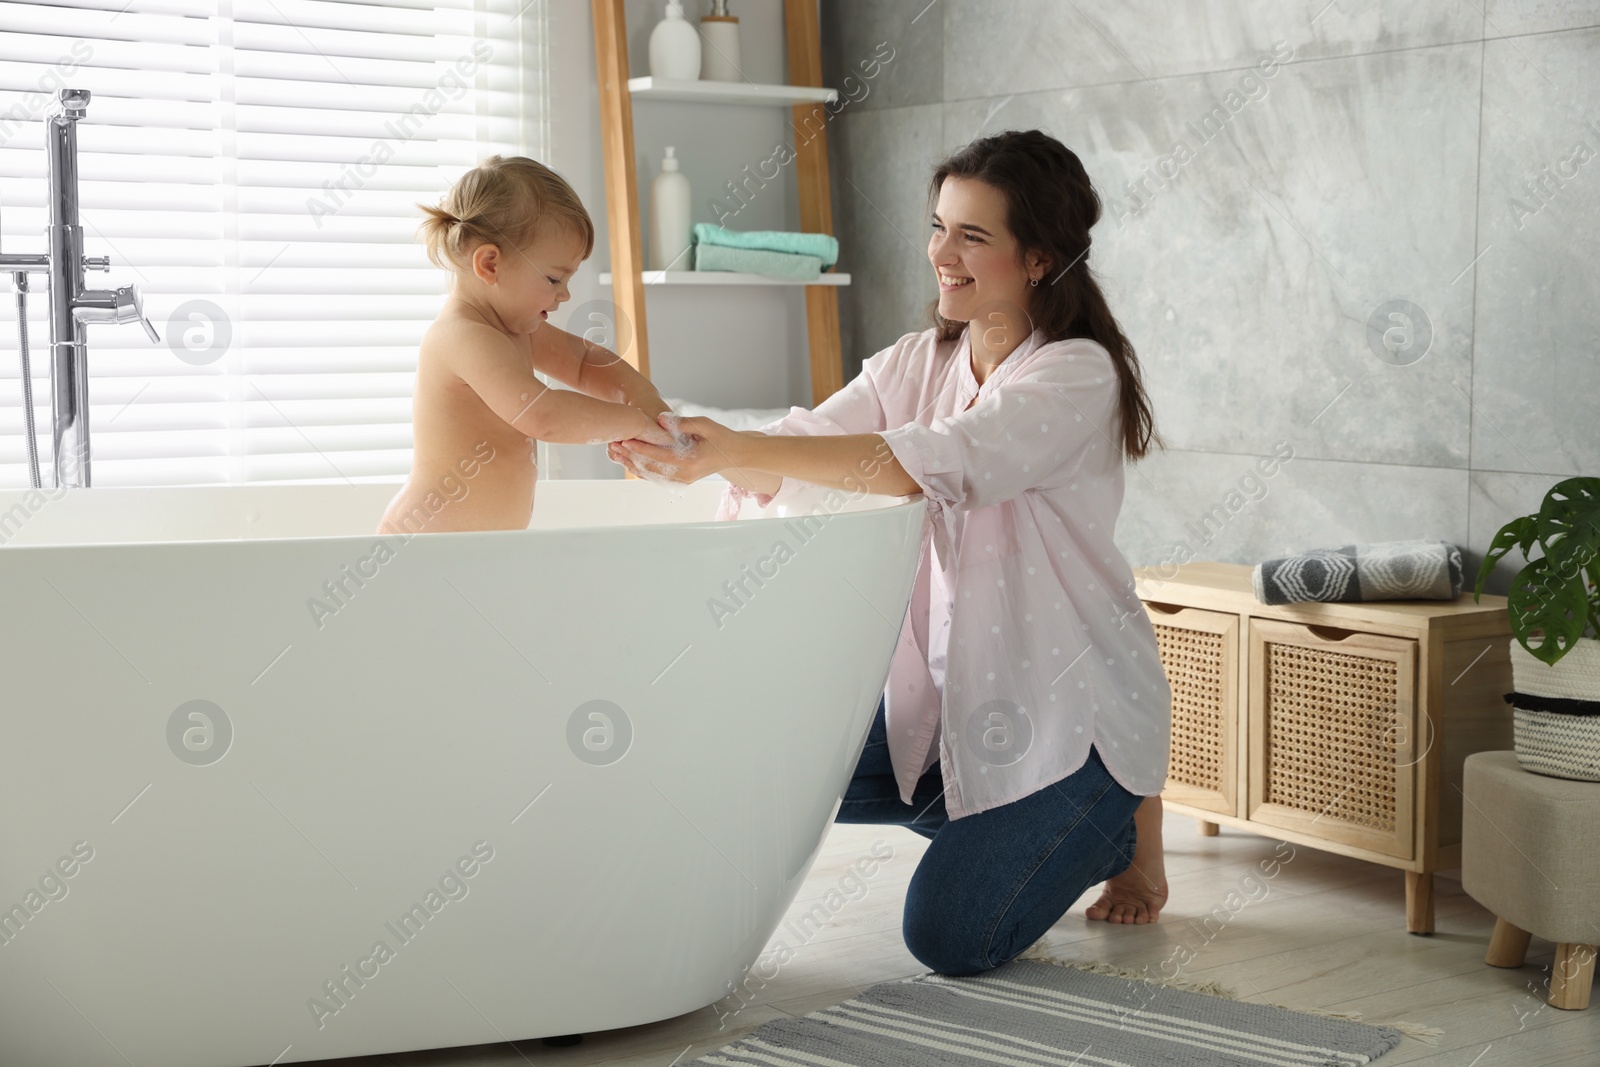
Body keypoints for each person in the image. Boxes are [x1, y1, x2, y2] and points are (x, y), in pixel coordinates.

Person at [611, 130, 1173, 975]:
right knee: (764, 752)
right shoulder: (922, 358)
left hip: (1072, 718)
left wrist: (733, 449)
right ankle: (1009, 827)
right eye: (938, 226)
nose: (941, 253)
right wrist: (699, 448)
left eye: (973, 235)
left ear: (1038, 258)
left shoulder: (1075, 374)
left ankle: (1110, 822)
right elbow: (814, 439)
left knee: (949, 935)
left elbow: (934, 462)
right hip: (961, 703)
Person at [379, 155, 674, 536]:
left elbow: (585, 363)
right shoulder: (463, 337)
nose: (565, 294)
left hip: (478, 554)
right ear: (490, 265)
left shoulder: (515, 328)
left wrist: (648, 403)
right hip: (423, 547)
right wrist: (634, 424)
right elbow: (543, 416)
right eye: (553, 278)